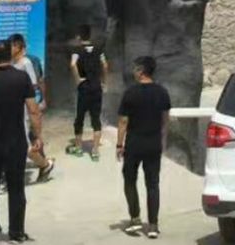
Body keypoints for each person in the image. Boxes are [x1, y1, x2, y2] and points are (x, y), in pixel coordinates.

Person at [0, 38, 43, 245]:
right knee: (16, 187)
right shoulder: (21, 78)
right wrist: (37, 136)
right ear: (9, 56)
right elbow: (33, 110)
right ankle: (16, 232)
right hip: (15, 140)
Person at [116, 56, 171, 239]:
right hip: (153, 144)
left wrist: (119, 144)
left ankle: (135, 219)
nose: (134, 72)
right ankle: (153, 225)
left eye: (135, 68)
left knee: (129, 180)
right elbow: (165, 121)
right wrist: (163, 141)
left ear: (141, 71)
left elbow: (123, 121)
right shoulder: (162, 92)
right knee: (153, 184)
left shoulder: (130, 93)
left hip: (134, 144)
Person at [10, 33, 55, 181]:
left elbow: (33, 84)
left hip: (25, 106)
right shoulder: (12, 63)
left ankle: (45, 164)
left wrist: (39, 101)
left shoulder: (26, 63)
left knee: (28, 140)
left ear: (18, 46)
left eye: (11, 46)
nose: (9, 49)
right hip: (15, 106)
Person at [68, 24, 109, 160]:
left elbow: (73, 64)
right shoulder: (98, 49)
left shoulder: (76, 50)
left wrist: (78, 80)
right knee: (96, 118)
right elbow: (105, 65)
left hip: (84, 86)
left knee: (79, 117)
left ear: (79, 37)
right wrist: (104, 82)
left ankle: (79, 148)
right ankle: (95, 151)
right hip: (96, 86)